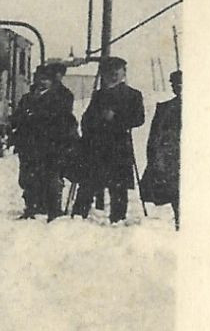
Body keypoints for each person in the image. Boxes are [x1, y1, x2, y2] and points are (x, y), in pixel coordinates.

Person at [71, 56, 145, 223]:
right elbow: (87, 118)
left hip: (118, 145)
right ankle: (78, 216)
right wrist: (91, 127)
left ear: (124, 73)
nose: (113, 76)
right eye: (109, 73)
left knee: (118, 186)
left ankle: (117, 219)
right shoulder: (99, 95)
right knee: (88, 182)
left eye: (116, 72)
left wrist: (116, 118)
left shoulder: (133, 95)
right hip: (96, 146)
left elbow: (138, 119)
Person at [10, 63, 77, 221]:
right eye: (39, 78)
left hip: (51, 145)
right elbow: (18, 117)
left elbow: (60, 118)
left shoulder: (59, 97)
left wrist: (34, 116)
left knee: (51, 177)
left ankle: (54, 210)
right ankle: (30, 208)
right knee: (28, 177)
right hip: (29, 144)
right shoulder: (27, 98)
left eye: (46, 79)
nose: (42, 82)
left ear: (52, 81)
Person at [141, 69, 183, 229]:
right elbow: (155, 137)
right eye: (174, 84)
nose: (176, 87)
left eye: (180, 84)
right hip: (170, 158)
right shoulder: (165, 108)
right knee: (175, 192)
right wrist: (155, 160)